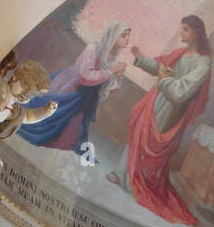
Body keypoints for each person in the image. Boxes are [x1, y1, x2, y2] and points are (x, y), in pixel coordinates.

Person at [107, 14, 211, 226]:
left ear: (196, 33)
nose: (182, 33)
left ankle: (141, 184)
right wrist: (141, 58)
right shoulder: (182, 53)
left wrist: (164, 81)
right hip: (157, 99)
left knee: (151, 144)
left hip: (172, 107)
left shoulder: (203, 62)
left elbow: (182, 91)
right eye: (182, 29)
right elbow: (161, 67)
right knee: (138, 134)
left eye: (185, 30)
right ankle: (121, 174)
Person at [17, 20, 131, 153]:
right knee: (51, 115)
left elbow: (112, 90)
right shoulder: (93, 49)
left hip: (86, 97)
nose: (127, 39)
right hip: (71, 87)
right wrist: (111, 72)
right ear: (113, 35)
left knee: (72, 130)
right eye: (124, 36)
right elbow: (85, 76)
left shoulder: (114, 59)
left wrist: (118, 76)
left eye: (128, 36)